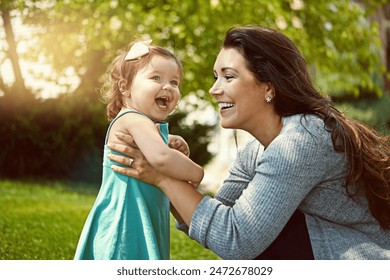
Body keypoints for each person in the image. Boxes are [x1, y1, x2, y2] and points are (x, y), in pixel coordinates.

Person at [107, 26, 390, 260]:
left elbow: (236, 240)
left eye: (229, 77)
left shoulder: (301, 141)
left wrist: (162, 176)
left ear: (269, 86)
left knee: (265, 235)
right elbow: (217, 216)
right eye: (215, 77)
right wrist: (166, 168)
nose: (214, 90)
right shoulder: (256, 149)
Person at [74, 40, 204, 260]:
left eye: (174, 82)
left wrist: (169, 140)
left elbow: (156, 150)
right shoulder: (133, 119)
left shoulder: (142, 125)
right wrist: (196, 172)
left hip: (139, 218)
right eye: (156, 78)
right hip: (125, 224)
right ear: (125, 87)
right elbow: (161, 158)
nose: (168, 86)